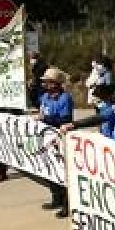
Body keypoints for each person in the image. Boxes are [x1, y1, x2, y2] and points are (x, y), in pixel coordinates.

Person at [35, 67, 73, 218]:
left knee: (62, 172)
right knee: (49, 169)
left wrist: (45, 119)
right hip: (46, 137)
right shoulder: (44, 97)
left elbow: (65, 119)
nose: (45, 85)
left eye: (48, 82)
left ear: (56, 83)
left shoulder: (65, 98)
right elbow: (42, 112)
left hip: (60, 137)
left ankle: (66, 203)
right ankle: (56, 198)